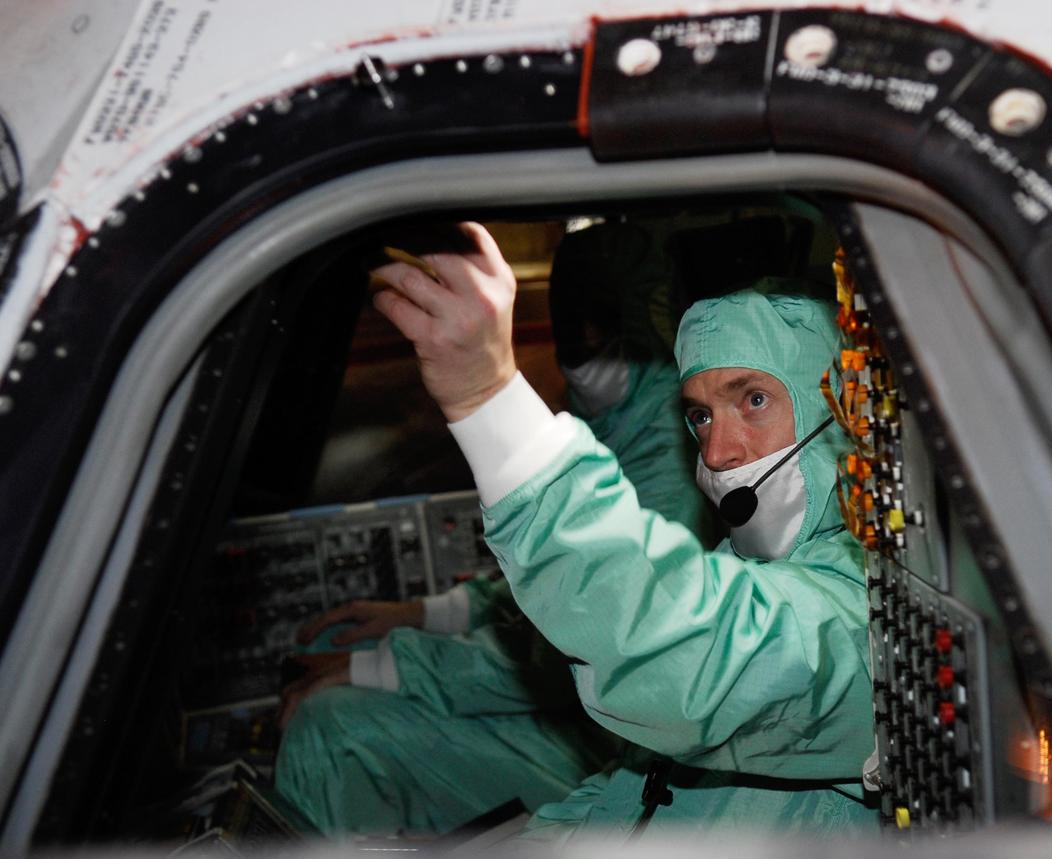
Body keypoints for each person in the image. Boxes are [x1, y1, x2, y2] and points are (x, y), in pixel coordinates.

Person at [349, 222, 875, 843]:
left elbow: (690, 650)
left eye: (754, 400)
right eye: (701, 416)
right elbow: (639, 790)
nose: (719, 451)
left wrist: (488, 399)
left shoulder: (863, 617)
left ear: (835, 410)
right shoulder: (744, 563)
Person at [273, 222, 716, 835]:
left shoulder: (677, 451)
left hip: (618, 757)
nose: (581, 339)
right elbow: (548, 575)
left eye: (598, 318)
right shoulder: (611, 416)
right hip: (580, 723)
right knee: (334, 669)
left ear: (642, 317)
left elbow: (579, 639)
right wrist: (426, 615)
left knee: (332, 731)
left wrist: (384, 668)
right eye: (567, 319)